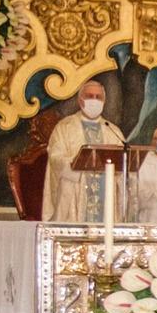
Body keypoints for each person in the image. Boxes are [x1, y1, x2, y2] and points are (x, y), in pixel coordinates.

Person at [41, 79, 125, 222]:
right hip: (75, 191)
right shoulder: (65, 127)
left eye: (98, 97)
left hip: (105, 196)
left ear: (104, 102)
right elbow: (55, 156)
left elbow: (122, 163)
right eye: (90, 96)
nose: (94, 100)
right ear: (80, 101)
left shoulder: (112, 130)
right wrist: (75, 163)